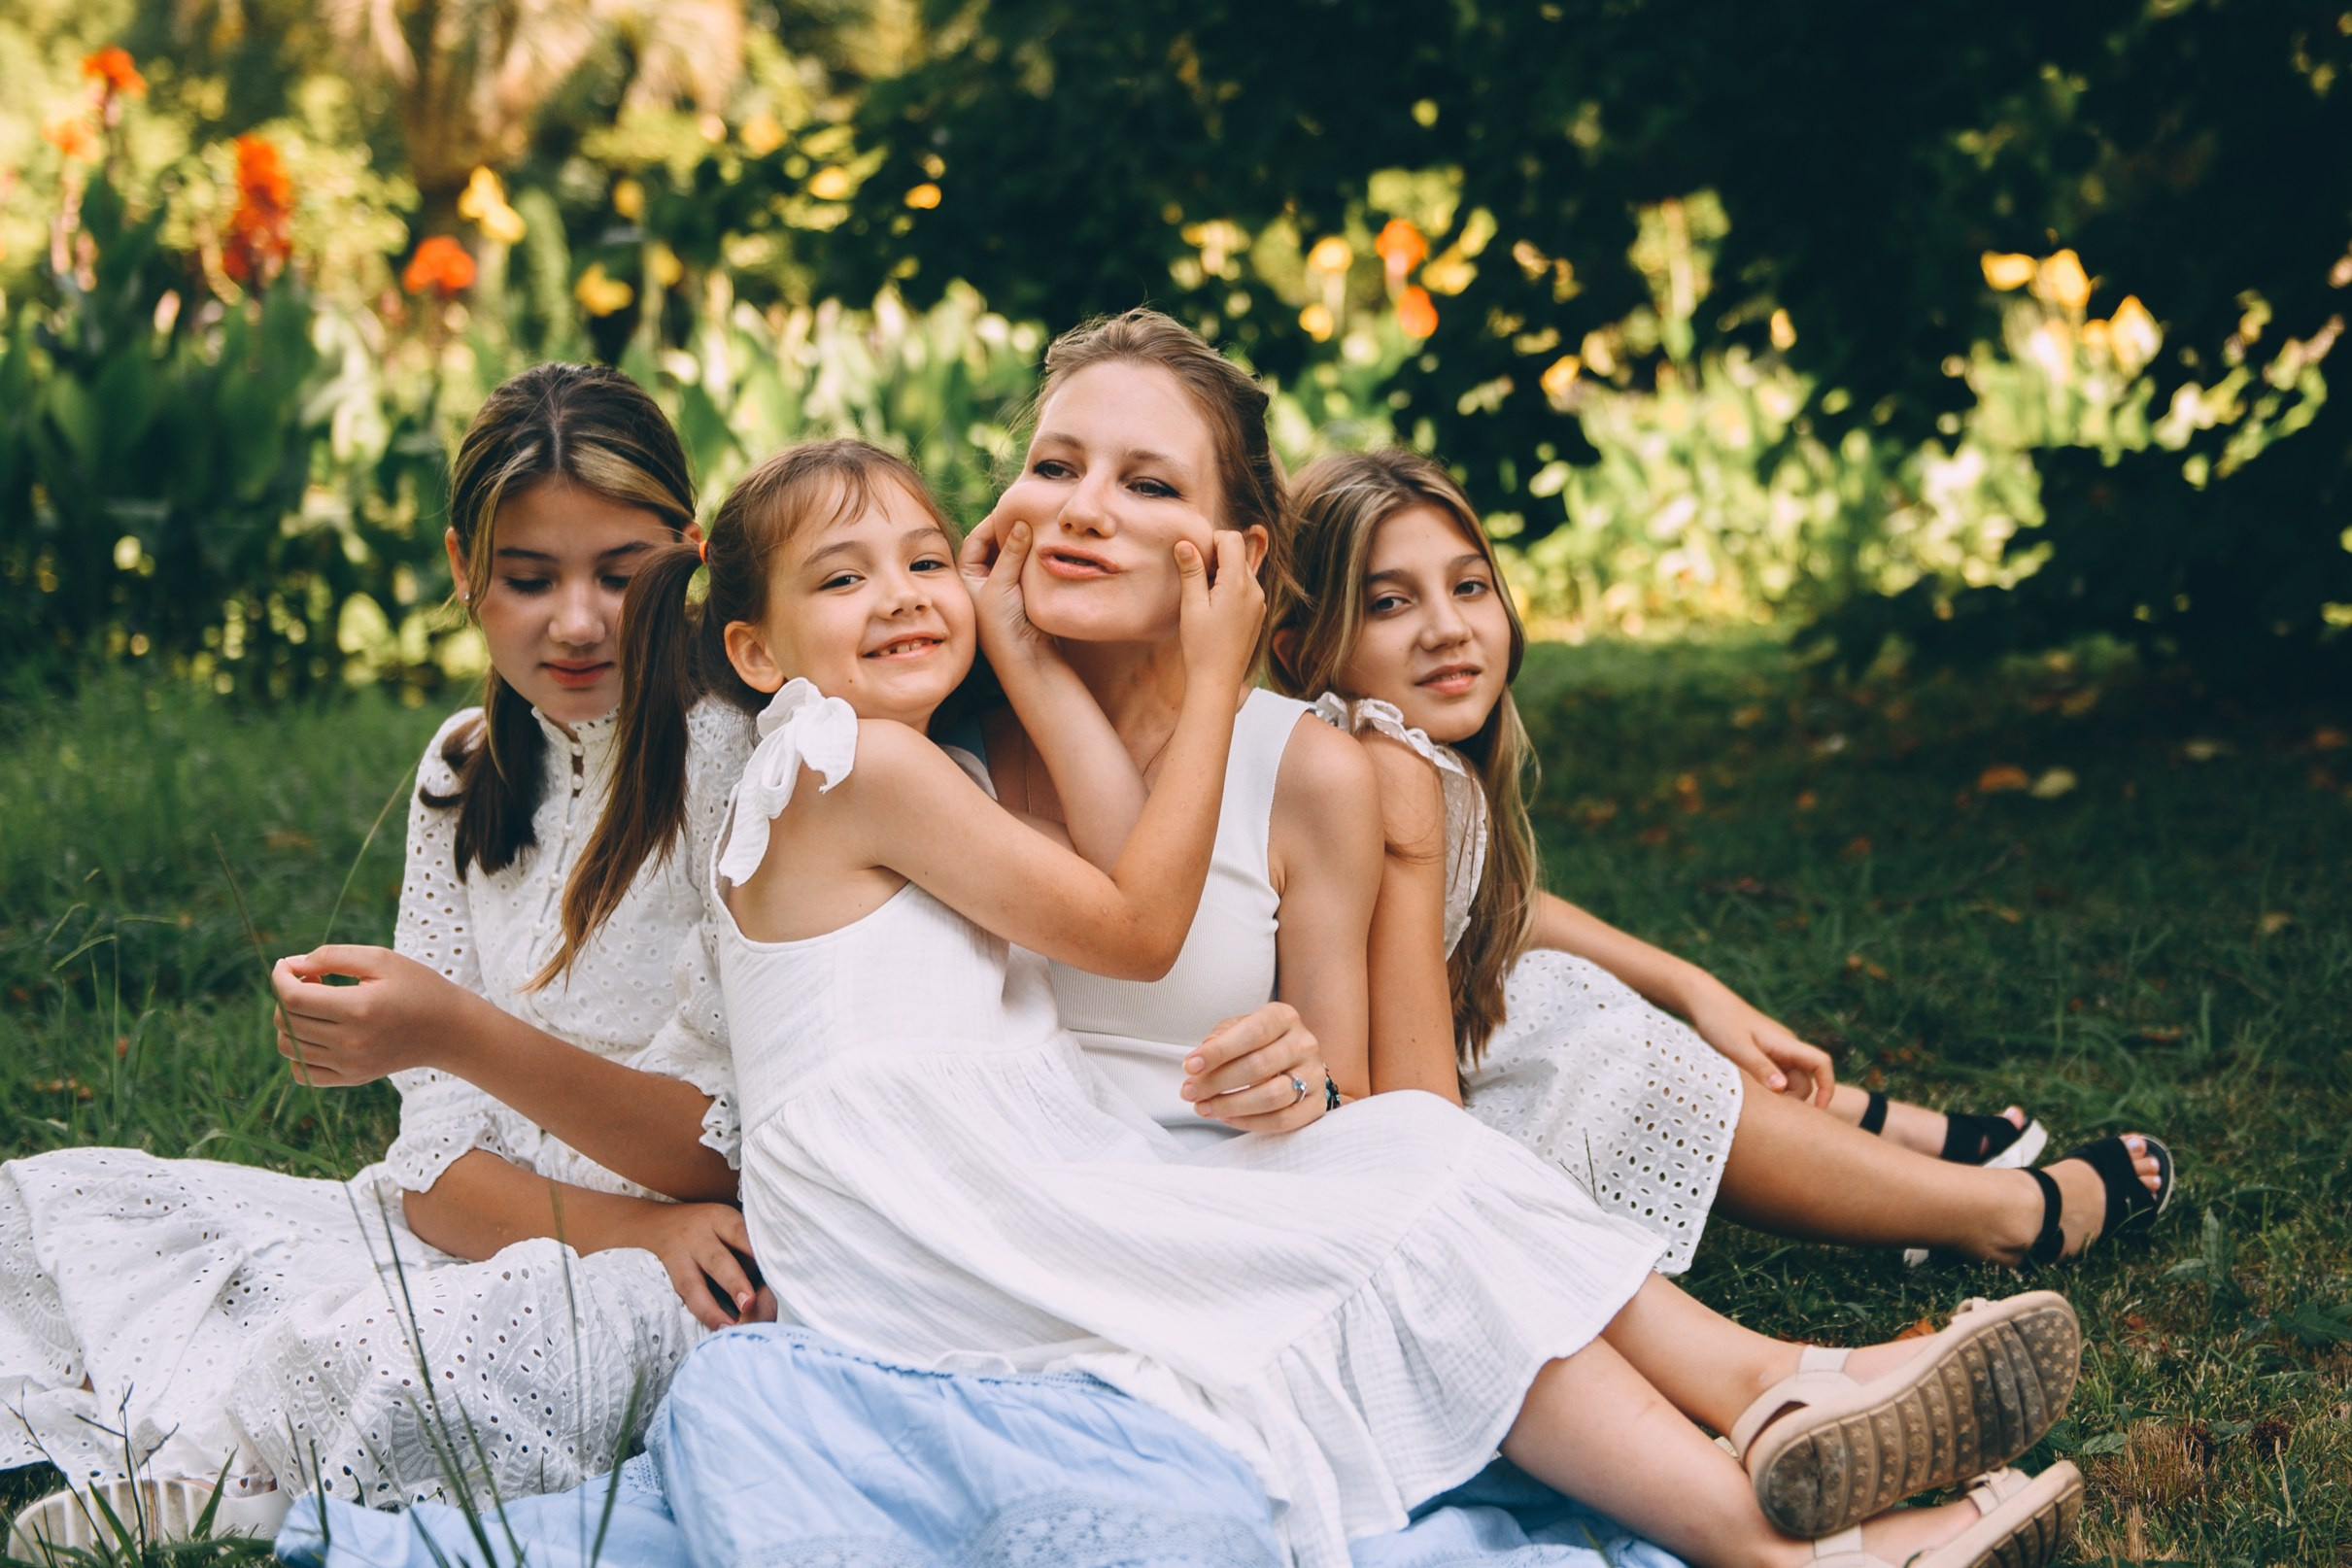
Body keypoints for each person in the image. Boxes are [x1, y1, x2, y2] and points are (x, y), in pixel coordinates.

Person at [562, 425, 2085, 1568]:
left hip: (973, 1198)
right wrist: (1205, 669)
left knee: (1412, 1164)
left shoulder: (876, 763)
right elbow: (1137, 924)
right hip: (944, 1227)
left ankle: (1782, 1442)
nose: (902, 597)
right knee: (1406, 1187)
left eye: (922, 560)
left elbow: (1113, 881)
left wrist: (1021, 646)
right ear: (753, 648)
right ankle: (1781, 1441)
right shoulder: (858, 762)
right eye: (844, 578)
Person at [0, 364, 757, 1554]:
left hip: (687, 1272)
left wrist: (456, 1033)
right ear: (464, 569)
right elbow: (433, 1170)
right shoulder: (463, 771)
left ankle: (220, 1482)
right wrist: (594, 1212)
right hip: (497, 1226)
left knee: (439, 1346)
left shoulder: (745, 764)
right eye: (528, 578)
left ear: (691, 554)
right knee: (59, 1208)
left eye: (620, 574)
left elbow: (722, 1157)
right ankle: (206, 1425)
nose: (577, 621)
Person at [1265, 448, 2176, 1273]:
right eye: (1390, 603)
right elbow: (1416, 1117)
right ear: (1302, 649)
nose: (1447, 628)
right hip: (1374, 1146)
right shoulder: (1384, 767)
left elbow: (1491, 907)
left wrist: (1696, 988)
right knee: (1615, 1061)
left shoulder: (1385, 750)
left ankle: (1883, 1142)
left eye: (1468, 586)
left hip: (1387, 1097)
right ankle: (2001, 1215)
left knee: (1547, 990)